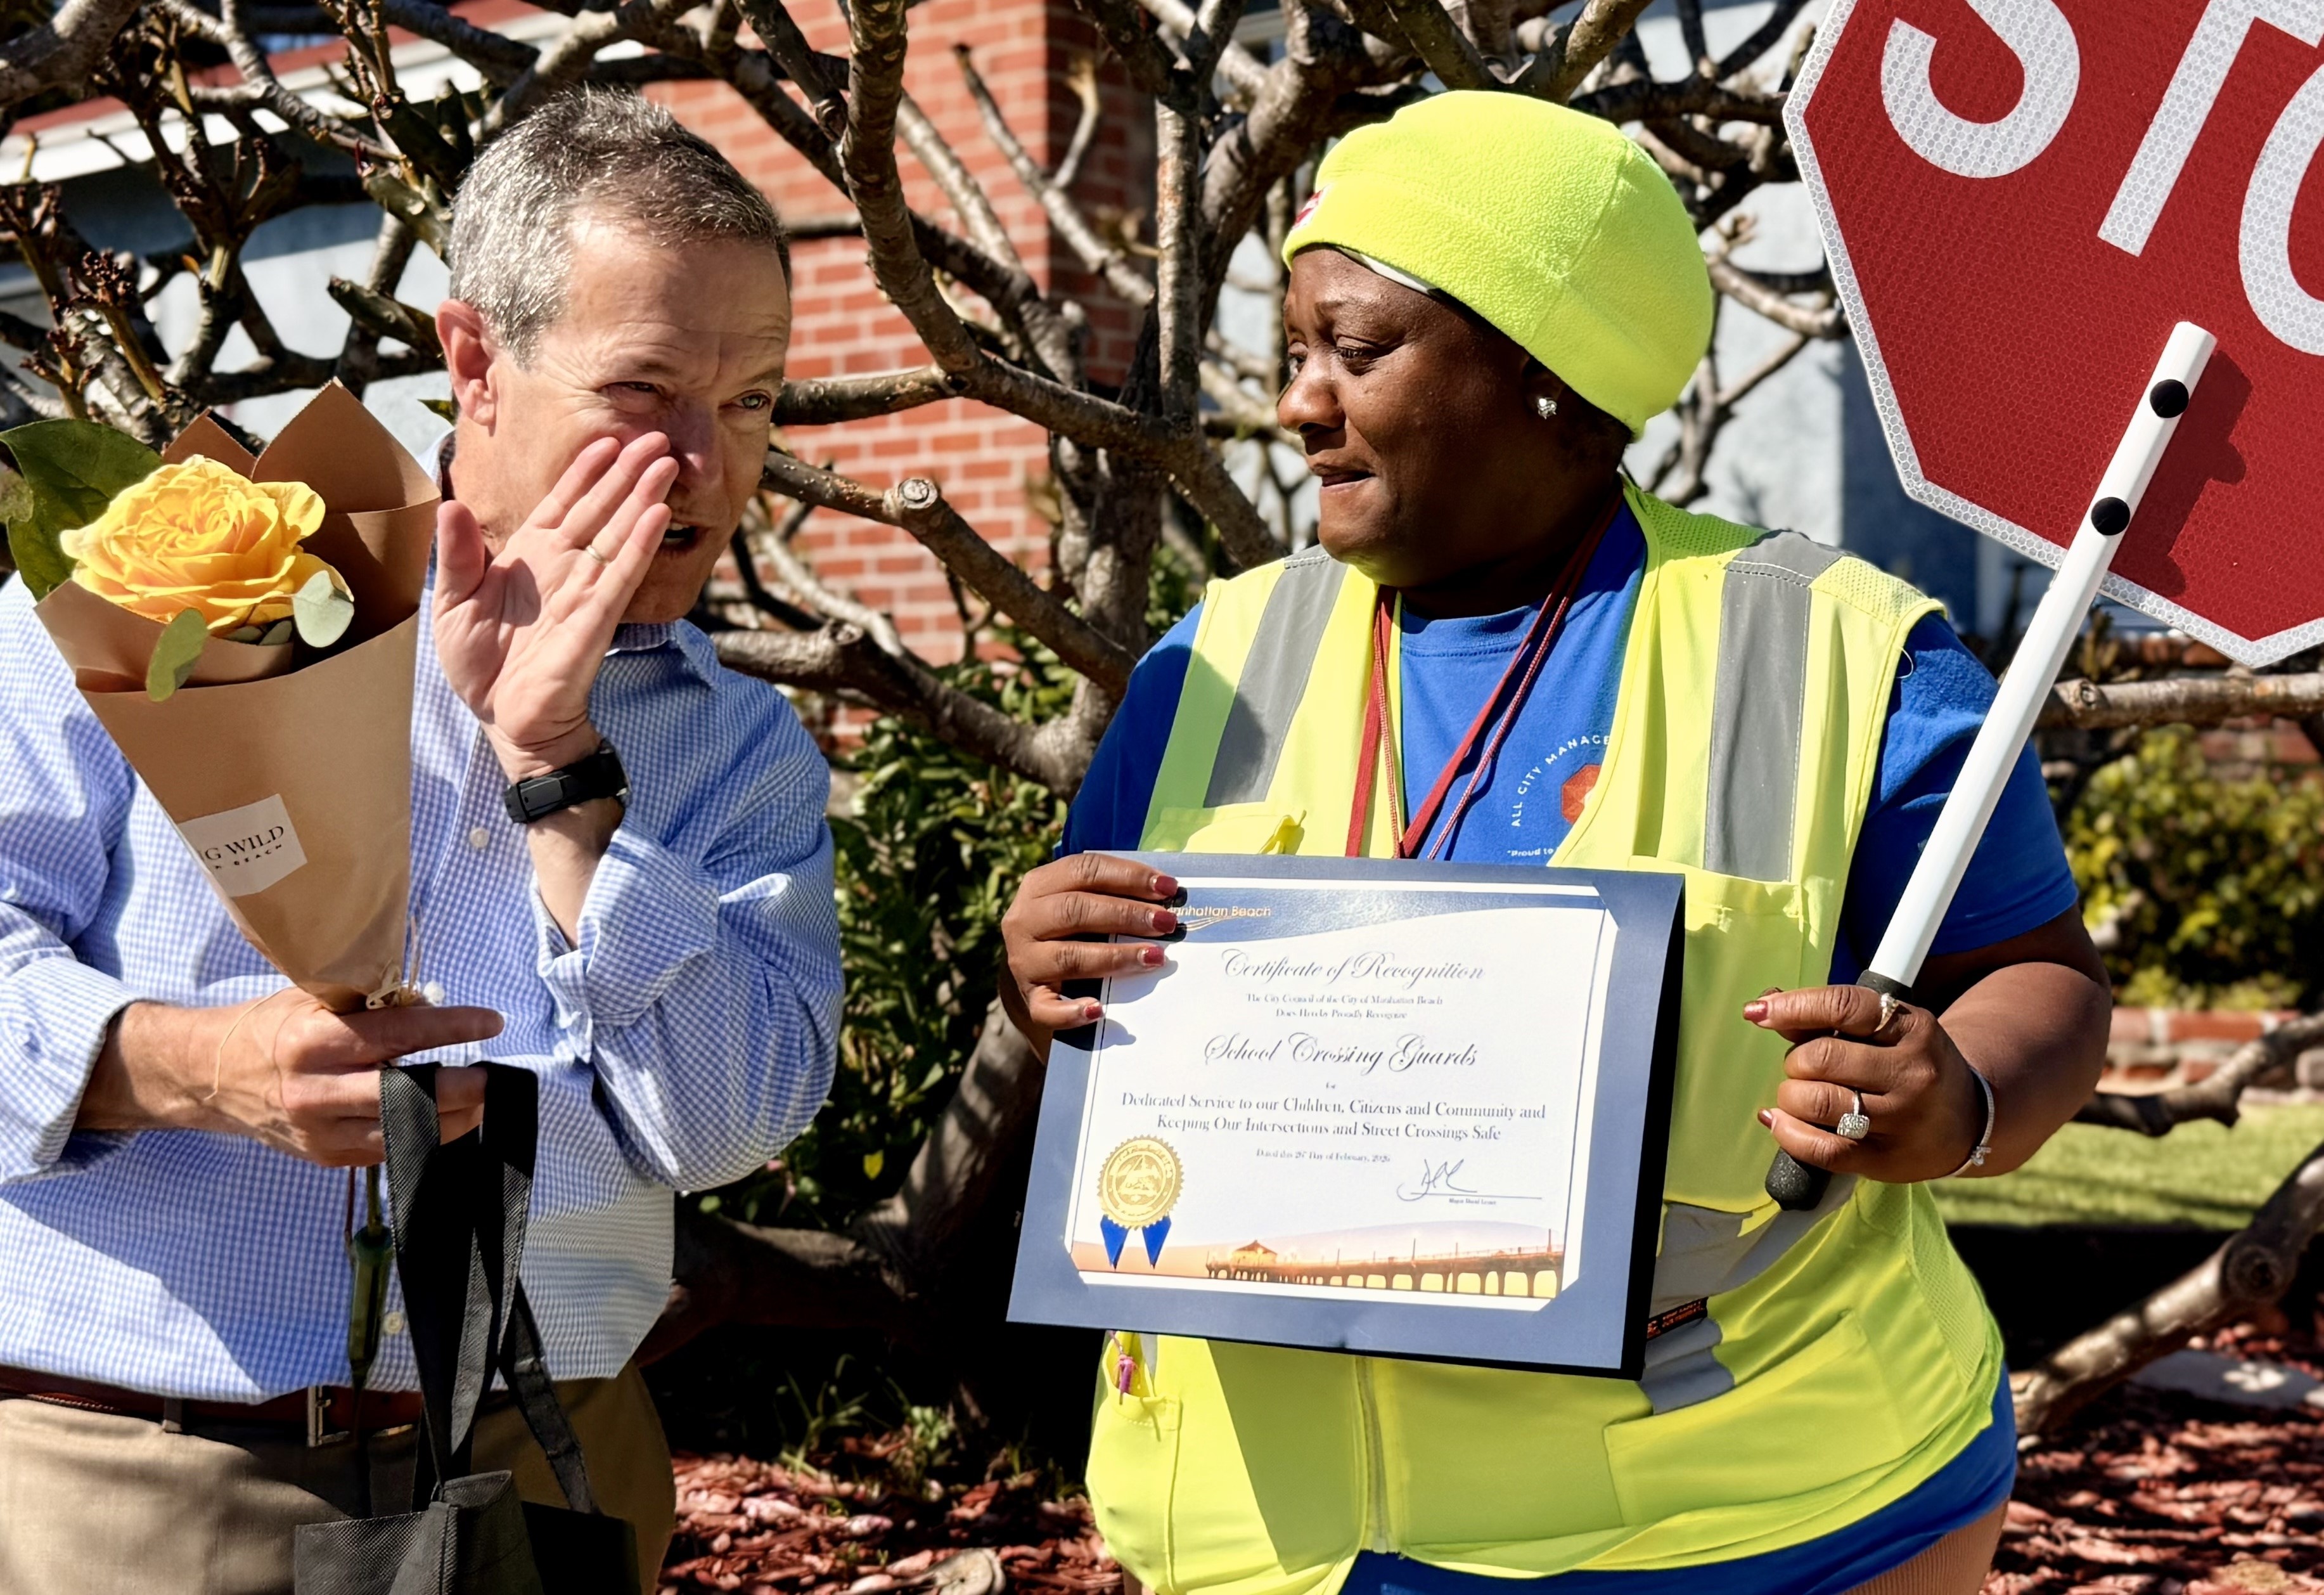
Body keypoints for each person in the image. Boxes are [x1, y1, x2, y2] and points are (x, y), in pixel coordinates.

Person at [999, 93, 2111, 1595]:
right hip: (1275, 1544)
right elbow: (1096, 985)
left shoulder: (1838, 653)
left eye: (1356, 347)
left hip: (1760, 1522)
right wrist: (1046, 960)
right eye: (1292, 355)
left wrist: (1960, 1096)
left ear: (1544, 369)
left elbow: (2038, 974)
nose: (1297, 404)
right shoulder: (1213, 662)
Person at [0, 91, 838, 1592]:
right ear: (474, 364)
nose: (706, 467)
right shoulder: (173, 607)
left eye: (757, 401)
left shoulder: (733, 747)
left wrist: (561, 777)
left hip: (549, 1473)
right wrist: (184, 1068)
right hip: (137, 1481)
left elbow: (727, 1130)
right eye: (645, 392)